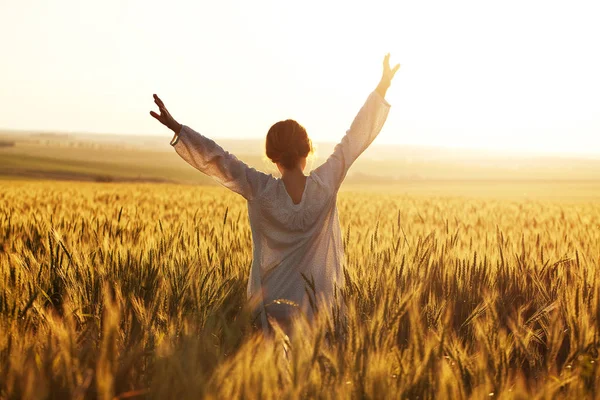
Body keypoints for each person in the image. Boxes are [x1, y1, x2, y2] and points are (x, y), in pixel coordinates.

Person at [150, 54, 400, 339]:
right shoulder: (326, 185)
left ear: (272, 156)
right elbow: (354, 139)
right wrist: (381, 88)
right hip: (316, 309)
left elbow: (218, 159)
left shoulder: (259, 190)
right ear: (307, 152)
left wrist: (178, 129)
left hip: (271, 309)